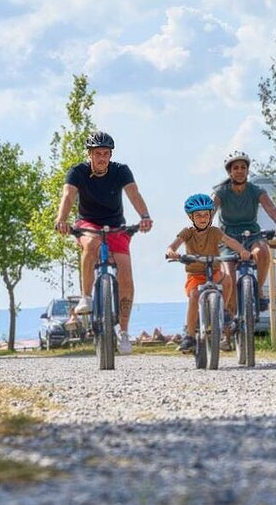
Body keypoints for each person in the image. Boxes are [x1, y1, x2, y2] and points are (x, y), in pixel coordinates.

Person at [54, 130, 153, 355]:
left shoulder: (121, 171)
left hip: (116, 225)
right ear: (89, 154)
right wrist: (61, 219)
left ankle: (124, 332)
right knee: (91, 245)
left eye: (106, 153)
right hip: (88, 224)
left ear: (111, 155)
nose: (102, 158)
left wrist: (145, 216)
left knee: (125, 273)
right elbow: (68, 196)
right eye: (97, 153)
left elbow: (134, 194)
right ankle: (86, 297)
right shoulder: (78, 172)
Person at [166, 194, 251, 353]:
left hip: (214, 271)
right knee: (194, 296)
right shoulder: (187, 232)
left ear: (211, 216)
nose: (203, 218)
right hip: (196, 275)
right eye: (198, 215)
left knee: (227, 281)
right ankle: (190, 335)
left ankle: (223, 311)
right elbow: (174, 245)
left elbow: (230, 241)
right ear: (191, 217)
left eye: (206, 215)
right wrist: (172, 252)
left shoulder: (215, 232)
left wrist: (242, 251)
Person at [212, 151, 276, 319]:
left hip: (251, 234)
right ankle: (229, 320)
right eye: (236, 168)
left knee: (262, 252)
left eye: (243, 167)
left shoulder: (256, 191)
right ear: (229, 172)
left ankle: (258, 290)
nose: (240, 171)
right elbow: (210, 212)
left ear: (247, 170)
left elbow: (271, 208)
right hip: (228, 238)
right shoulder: (221, 192)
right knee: (229, 277)